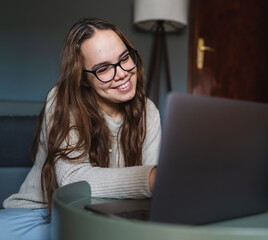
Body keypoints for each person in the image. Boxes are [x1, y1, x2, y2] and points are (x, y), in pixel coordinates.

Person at [0, 17, 161, 240]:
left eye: (125, 57)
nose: (122, 73)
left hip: (109, 216)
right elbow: (75, 180)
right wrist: (152, 178)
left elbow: (155, 190)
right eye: (103, 68)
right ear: (84, 79)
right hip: (40, 213)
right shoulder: (62, 100)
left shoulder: (148, 111)